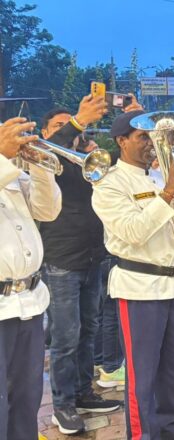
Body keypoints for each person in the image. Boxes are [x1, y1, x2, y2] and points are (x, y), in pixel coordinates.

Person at [92, 110, 174, 440]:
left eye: (152, 136)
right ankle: (141, 435)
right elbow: (133, 232)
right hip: (139, 288)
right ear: (121, 141)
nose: (151, 143)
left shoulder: (160, 178)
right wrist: (170, 193)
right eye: (142, 137)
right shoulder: (109, 184)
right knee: (142, 374)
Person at [38, 96, 125, 435]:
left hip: (93, 257)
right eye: (57, 126)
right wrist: (76, 121)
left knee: (89, 330)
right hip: (61, 261)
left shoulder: (85, 160)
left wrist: (130, 116)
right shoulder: (45, 160)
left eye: (67, 126)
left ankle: (83, 391)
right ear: (46, 132)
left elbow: (121, 159)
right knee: (65, 338)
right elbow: (48, 149)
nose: (65, 130)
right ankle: (62, 404)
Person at [0, 117, 62, 440]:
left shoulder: (10, 170)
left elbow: (47, 210)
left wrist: (39, 167)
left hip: (29, 303)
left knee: (26, 404)